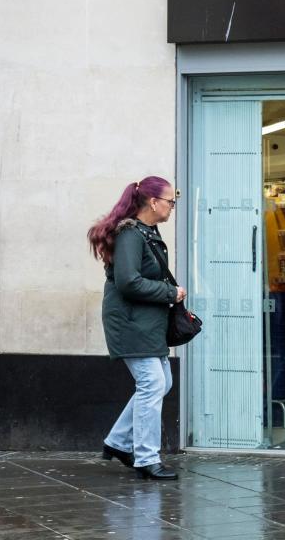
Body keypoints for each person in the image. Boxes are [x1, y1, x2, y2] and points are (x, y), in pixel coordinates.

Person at [88, 177, 184, 480]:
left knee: (161, 382)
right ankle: (146, 457)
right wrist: (170, 293)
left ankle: (117, 442)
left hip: (145, 323)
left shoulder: (146, 232)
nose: (172, 207)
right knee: (152, 384)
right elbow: (128, 281)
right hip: (130, 323)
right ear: (153, 202)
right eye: (170, 201)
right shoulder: (131, 234)